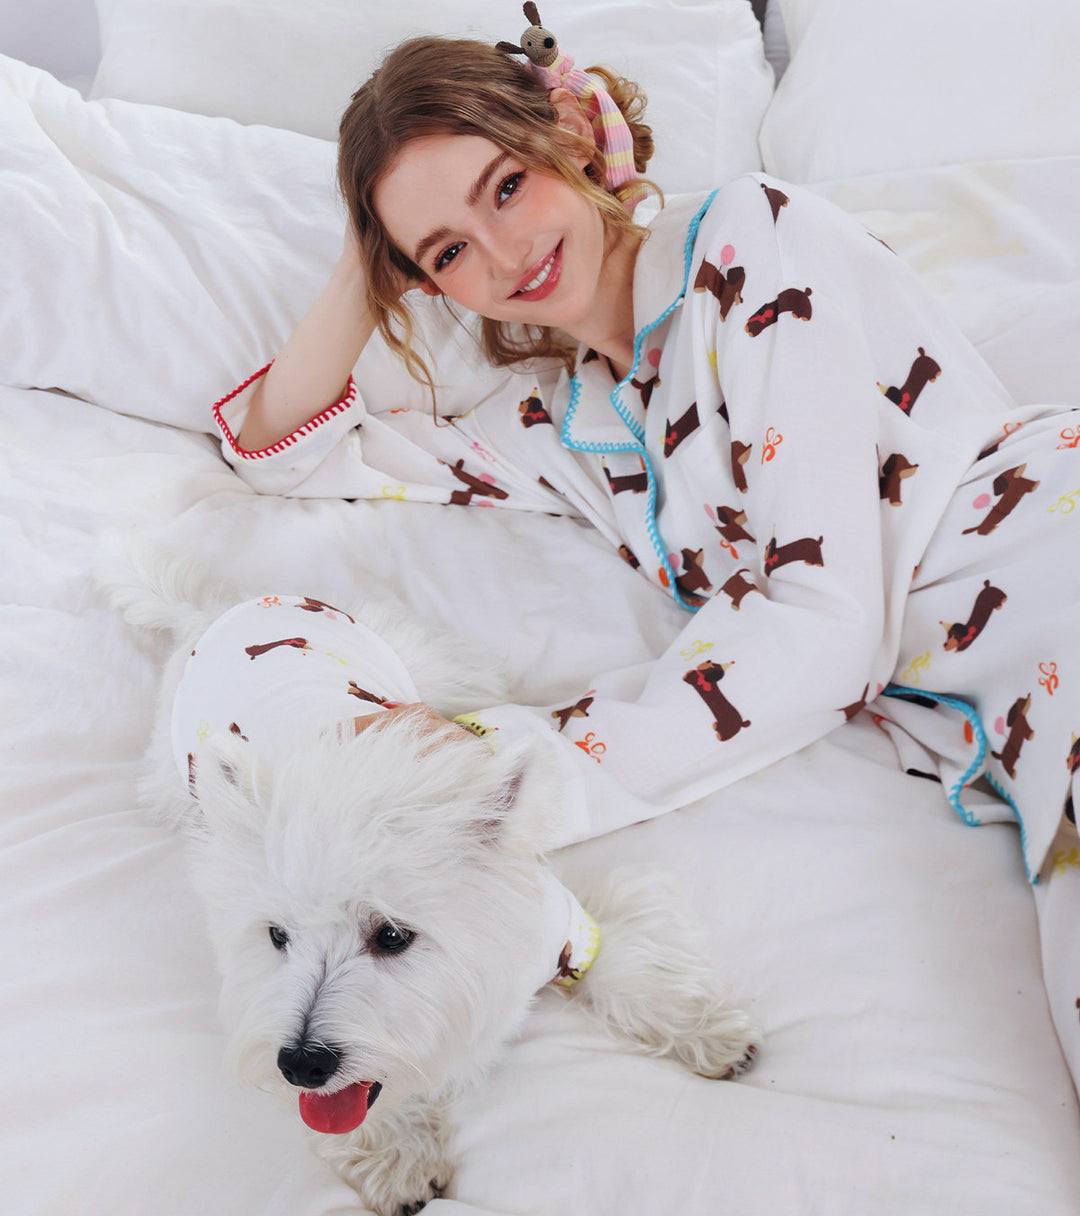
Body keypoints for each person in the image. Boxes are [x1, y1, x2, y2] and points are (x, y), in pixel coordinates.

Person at [209, 31, 1080, 1082]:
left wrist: (500, 771)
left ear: (570, 136)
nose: (500, 255)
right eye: (445, 253)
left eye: (506, 187)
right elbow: (284, 454)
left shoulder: (752, 242)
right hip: (1009, 699)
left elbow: (827, 619)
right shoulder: (566, 425)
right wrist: (368, 253)